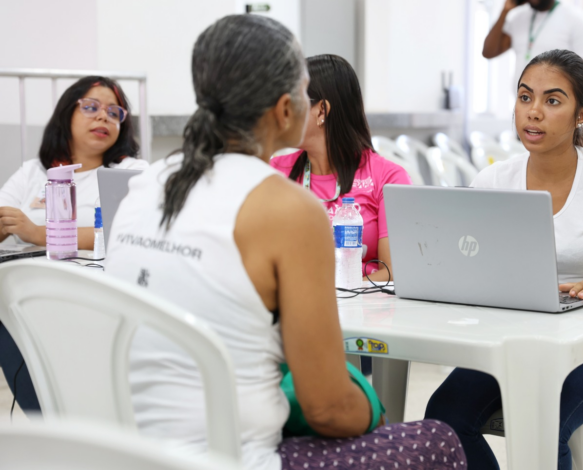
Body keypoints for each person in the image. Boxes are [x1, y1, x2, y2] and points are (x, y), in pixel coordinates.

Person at [104, 15, 464, 470]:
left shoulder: (146, 181)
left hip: (126, 449)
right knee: (438, 440)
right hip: (230, 456)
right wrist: (372, 407)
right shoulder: (288, 206)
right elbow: (329, 409)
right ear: (284, 108)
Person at [424, 49, 583, 470]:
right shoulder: (494, 182)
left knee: (544, 420)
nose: (534, 112)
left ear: (582, 113)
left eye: (552, 101)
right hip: (519, 340)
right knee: (444, 416)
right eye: (525, 98)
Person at [0, 76, 147, 413]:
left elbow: (122, 231)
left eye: (114, 112)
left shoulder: (131, 172)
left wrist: (38, 233)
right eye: (91, 107)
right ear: (66, 114)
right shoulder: (33, 173)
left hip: (94, 297)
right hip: (23, 297)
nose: (103, 117)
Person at [271, 54, 412, 283]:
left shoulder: (389, 178)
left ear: (322, 111)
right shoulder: (275, 173)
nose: (282, 113)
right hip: (294, 301)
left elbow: (394, 273)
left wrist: (335, 291)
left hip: (365, 309)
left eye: (292, 103)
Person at [483, 0, 583, 96]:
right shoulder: (518, 18)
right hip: (524, 106)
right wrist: (505, 11)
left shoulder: (576, 19)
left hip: (556, 109)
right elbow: (488, 51)